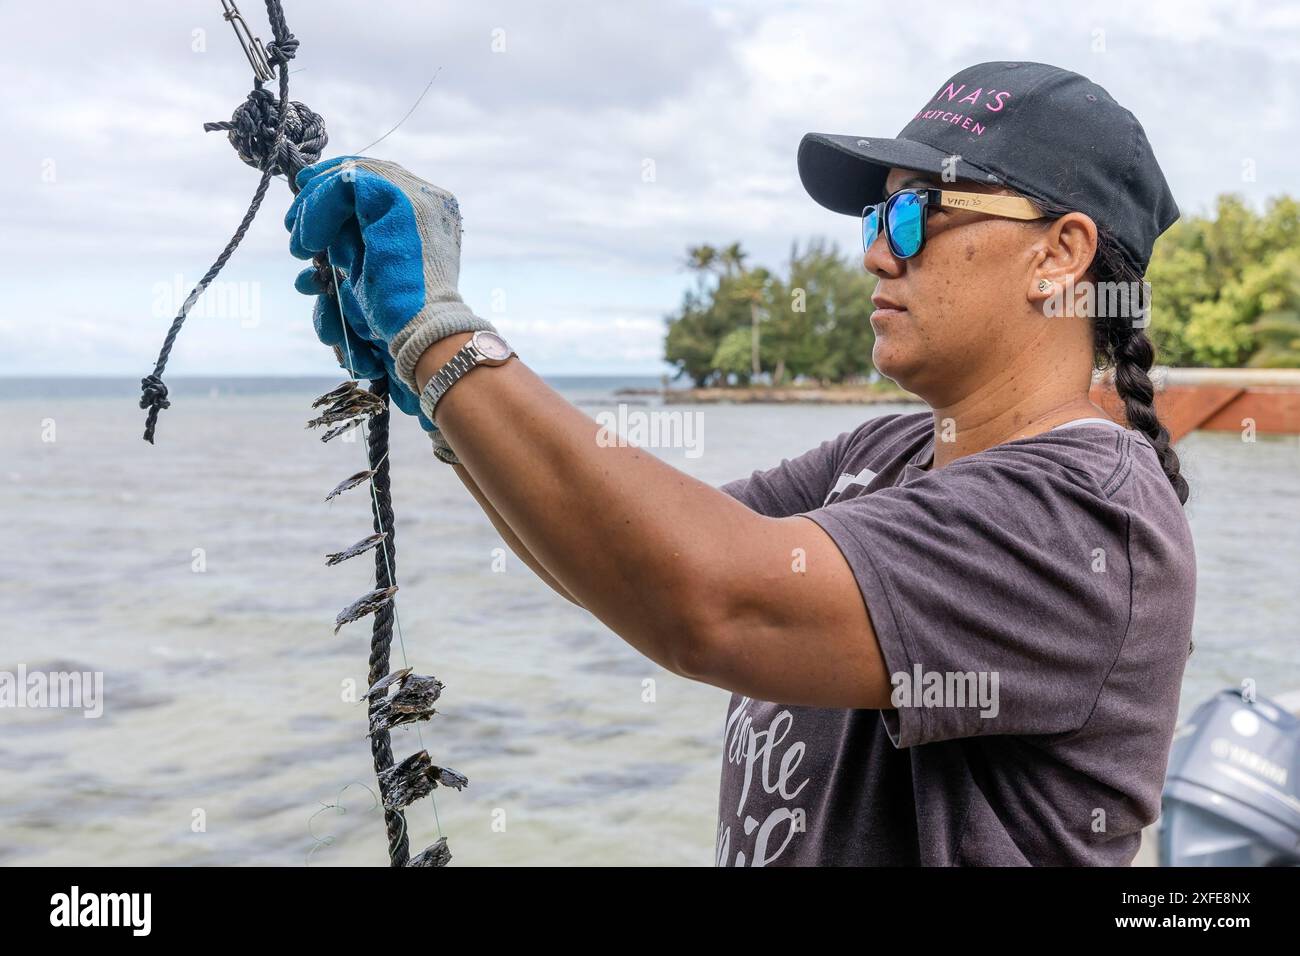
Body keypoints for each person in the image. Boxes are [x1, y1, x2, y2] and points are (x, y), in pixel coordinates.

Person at [285, 60, 1195, 866]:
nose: (878, 250)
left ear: (1061, 254)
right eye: (878, 214)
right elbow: (627, 555)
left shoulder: (1084, 520)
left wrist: (444, 343)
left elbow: (708, 605)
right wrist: (443, 404)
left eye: (916, 213)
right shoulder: (890, 452)